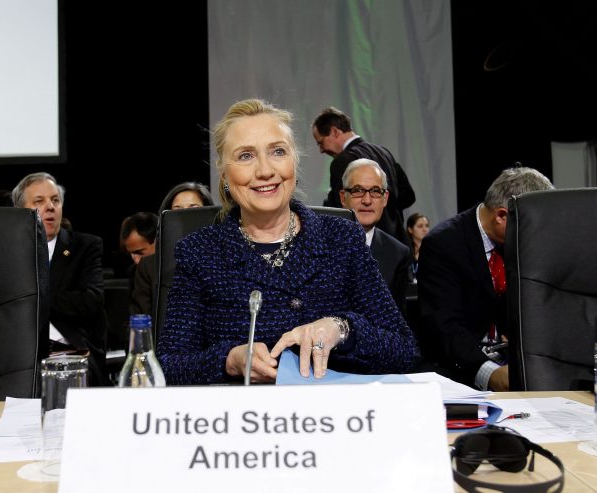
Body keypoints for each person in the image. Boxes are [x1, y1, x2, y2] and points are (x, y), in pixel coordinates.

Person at [157, 98, 419, 385]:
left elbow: (403, 350)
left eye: (278, 151)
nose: (265, 170)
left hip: (334, 419)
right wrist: (227, 360)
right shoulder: (199, 252)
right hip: (245, 421)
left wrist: (342, 329)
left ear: (294, 160)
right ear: (225, 174)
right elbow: (170, 365)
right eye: (246, 156)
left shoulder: (342, 239)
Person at [419, 167, 553, 392]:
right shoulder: (443, 244)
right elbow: (445, 328)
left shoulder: (525, 244)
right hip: (458, 373)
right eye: (532, 226)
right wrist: (489, 373)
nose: (537, 234)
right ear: (501, 215)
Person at [12, 172, 108, 385]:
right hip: (20, 355)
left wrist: (34, 299)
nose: (50, 206)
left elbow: (91, 300)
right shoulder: (9, 253)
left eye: (55, 200)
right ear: (21, 211)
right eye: (39, 201)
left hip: (71, 350)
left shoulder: (85, 246)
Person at [312, 107, 415, 244]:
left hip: (363, 248)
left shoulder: (342, 161)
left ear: (335, 132)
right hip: (395, 244)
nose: (321, 150)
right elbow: (407, 196)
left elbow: (338, 212)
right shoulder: (384, 153)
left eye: (321, 142)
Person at [130, 183, 214, 315]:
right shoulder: (148, 267)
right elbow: (141, 320)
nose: (186, 216)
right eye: (178, 209)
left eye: (194, 208)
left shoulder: (224, 260)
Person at [339, 158, 411, 311]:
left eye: (375, 191)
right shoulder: (318, 245)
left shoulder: (398, 254)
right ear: (343, 197)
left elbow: (397, 321)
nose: (367, 200)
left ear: (385, 199)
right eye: (358, 190)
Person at [406, 212, 430, 281]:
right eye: (420, 226)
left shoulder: (433, 250)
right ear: (410, 229)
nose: (425, 230)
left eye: (427, 226)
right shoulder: (405, 251)